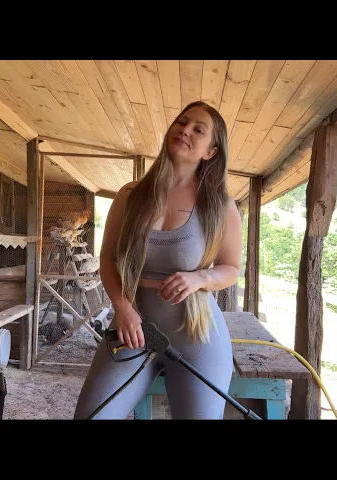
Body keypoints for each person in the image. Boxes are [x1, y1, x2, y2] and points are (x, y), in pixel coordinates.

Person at [73, 101, 243, 420]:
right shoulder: (130, 195)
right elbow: (108, 259)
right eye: (181, 122)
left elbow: (232, 269)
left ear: (211, 152)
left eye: (198, 129)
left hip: (197, 333)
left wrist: (200, 278)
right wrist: (123, 308)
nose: (185, 130)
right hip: (132, 328)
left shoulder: (220, 205)